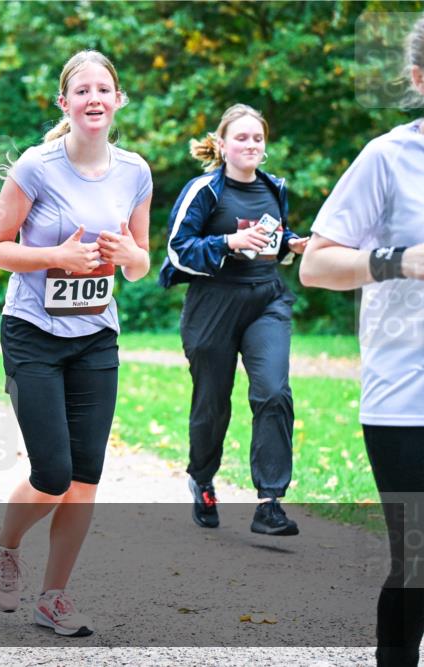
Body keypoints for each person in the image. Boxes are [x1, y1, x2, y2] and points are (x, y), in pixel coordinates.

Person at [0, 50, 152, 636]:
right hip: (32, 332)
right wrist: (55, 256)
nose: (94, 99)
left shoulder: (136, 172)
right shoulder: (36, 167)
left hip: (96, 337)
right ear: (64, 103)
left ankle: (54, 596)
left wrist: (131, 258)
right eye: (82, 91)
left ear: (119, 99)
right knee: (52, 473)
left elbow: (139, 263)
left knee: (85, 477)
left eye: (104, 89)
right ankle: (5, 544)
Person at [299, 16, 423, 665]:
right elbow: (315, 265)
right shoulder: (388, 158)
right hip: (407, 399)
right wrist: (401, 259)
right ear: (418, 77)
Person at [157, 104, 308, 536]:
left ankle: (270, 502)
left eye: (258, 138)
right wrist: (227, 241)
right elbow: (176, 249)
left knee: (273, 391)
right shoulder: (204, 190)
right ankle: (202, 480)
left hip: (266, 301)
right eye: (241, 137)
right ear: (222, 145)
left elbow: (272, 240)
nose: (251, 145)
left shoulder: (274, 187)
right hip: (213, 305)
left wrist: (291, 245)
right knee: (212, 402)